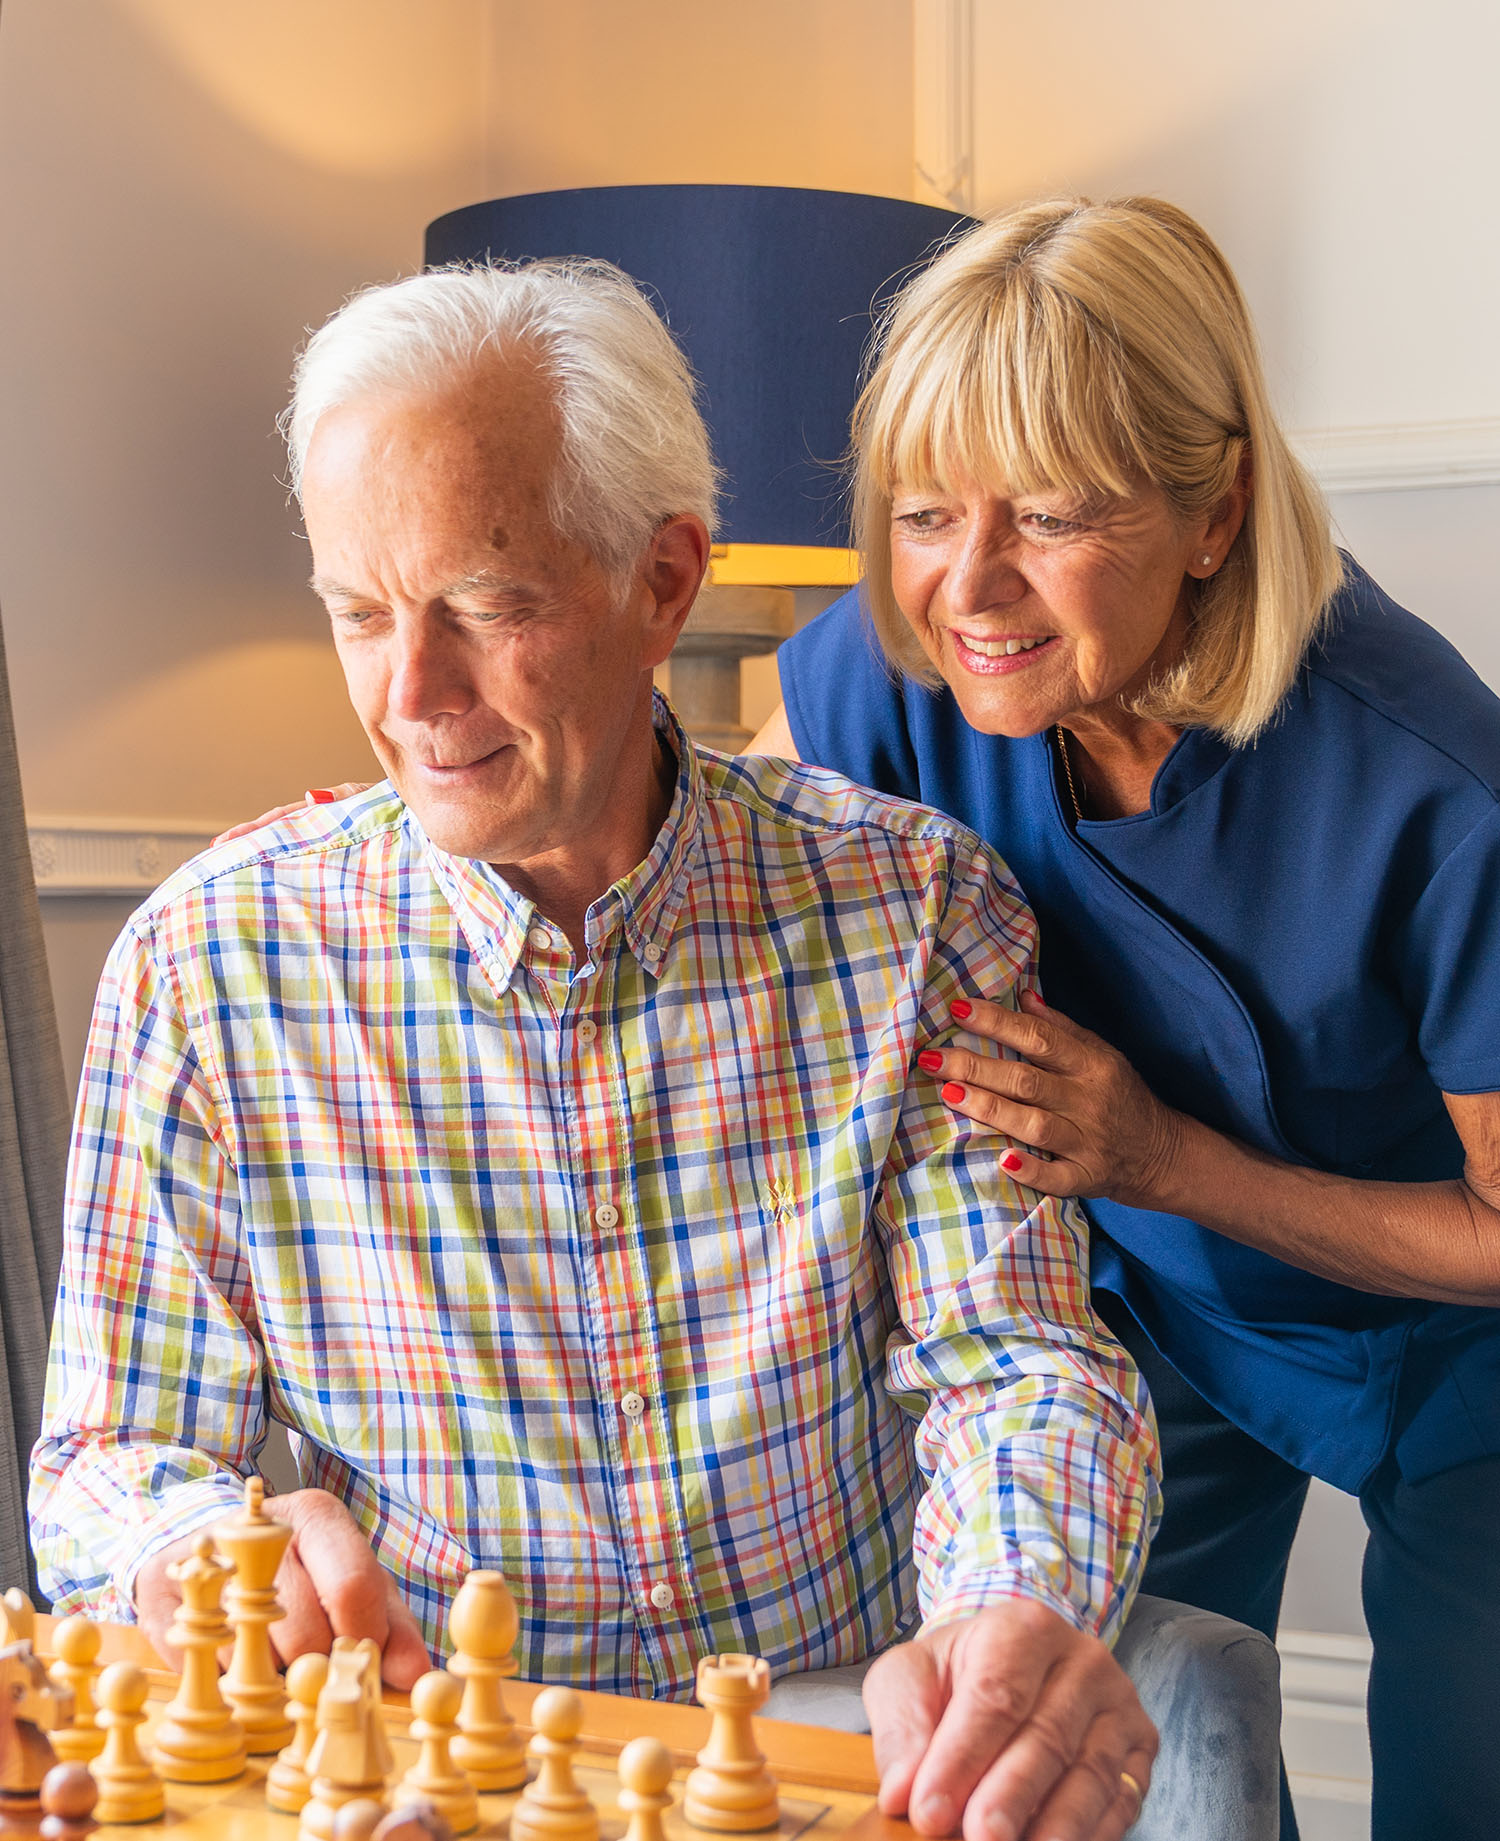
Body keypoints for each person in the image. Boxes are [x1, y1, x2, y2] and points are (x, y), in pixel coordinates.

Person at [30, 259, 1164, 1841]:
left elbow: (1018, 1366)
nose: (410, 697)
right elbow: (107, 1447)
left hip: (826, 1748)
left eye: (487, 607)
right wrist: (195, 1552)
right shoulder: (204, 963)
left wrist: (1004, 1602)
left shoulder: (915, 913)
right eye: (361, 615)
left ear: (664, 580)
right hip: (436, 1775)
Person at [749, 195, 1500, 1841]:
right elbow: (729, 829)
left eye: (1058, 515)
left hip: (1467, 1349)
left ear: (1215, 511)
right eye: (928, 510)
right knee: (1116, 1754)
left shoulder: (1433, 779)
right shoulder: (899, 680)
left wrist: (1157, 1156)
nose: (971, 583)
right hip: (1165, 1320)